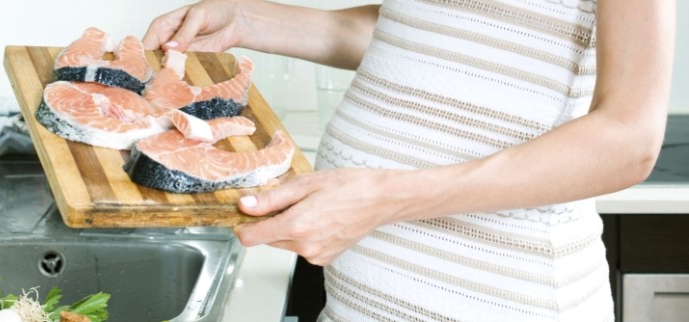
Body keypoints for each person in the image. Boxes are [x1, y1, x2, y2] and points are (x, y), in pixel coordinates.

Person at [143, 0, 675, 321]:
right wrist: (247, 19)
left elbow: (629, 139)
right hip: (365, 302)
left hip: (500, 299)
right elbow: (411, 33)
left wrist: (384, 200)